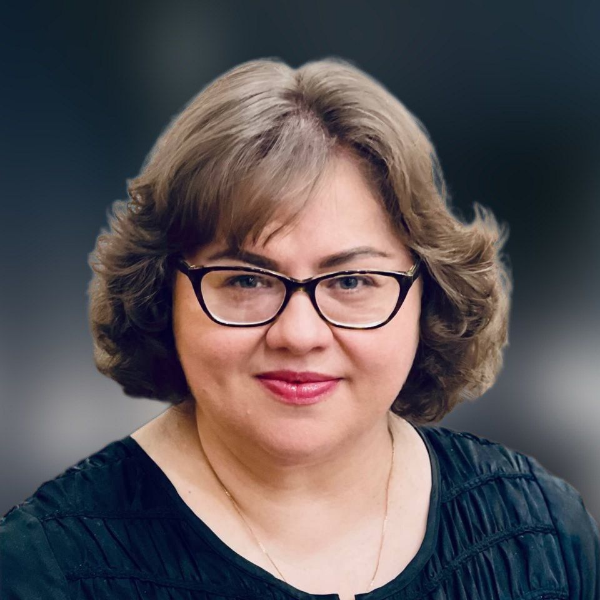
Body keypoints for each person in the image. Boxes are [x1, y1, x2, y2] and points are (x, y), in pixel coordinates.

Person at [1, 57, 598, 600]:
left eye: (352, 280)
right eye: (246, 280)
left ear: (430, 298)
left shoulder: (544, 534)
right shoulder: (43, 569)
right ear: (162, 295)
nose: (299, 334)